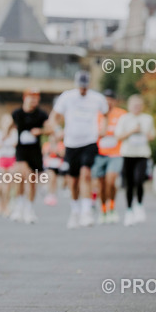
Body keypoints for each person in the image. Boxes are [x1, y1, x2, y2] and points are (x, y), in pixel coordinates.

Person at [51, 72, 108, 229]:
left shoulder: (97, 98)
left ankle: (86, 211)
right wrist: (58, 130)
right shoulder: (67, 97)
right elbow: (54, 117)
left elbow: (105, 114)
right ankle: (75, 210)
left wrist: (103, 128)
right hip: (71, 143)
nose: (83, 89)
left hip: (89, 141)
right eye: (81, 86)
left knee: (86, 174)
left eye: (85, 86)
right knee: (73, 180)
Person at [116, 95, 156, 226]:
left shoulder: (147, 119)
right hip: (128, 153)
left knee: (139, 180)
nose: (136, 108)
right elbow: (118, 136)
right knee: (129, 183)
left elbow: (152, 136)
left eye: (139, 105)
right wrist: (132, 131)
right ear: (129, 106)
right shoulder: (124, 118)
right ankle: (129, 210)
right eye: (134, 105)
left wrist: (145, 133)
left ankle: (139, 204)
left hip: (142, 154)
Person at [10, 89, 49, 224]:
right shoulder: (17, 113)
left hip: (35, 151)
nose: (33, 100)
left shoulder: (41, 114)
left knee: (31, 179)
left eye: (36, 98)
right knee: (21, 176)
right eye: (31, 97)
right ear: (25, 98)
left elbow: (50, 129)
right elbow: (9, 126)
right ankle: (19, 205)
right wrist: (6, 136)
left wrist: (41, 131)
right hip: (21, 150)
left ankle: (29, 208)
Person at [94, 89, 127, 223]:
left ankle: (112, 206)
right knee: (101, 184)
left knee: (111, 180)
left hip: (116, 153)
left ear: (115, 101)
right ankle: (103, 209)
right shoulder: (96, 114)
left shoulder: (122, 114)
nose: (108, 102)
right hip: (99, 153)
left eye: (111, 99)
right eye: (106, 99)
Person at [0, 114, 17, 218]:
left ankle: (6, 206)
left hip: (11, 159)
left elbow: (15, 144)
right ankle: (0, 203)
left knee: (7, 185)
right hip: (0, 159)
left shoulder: (14, 133)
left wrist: (7, 132)